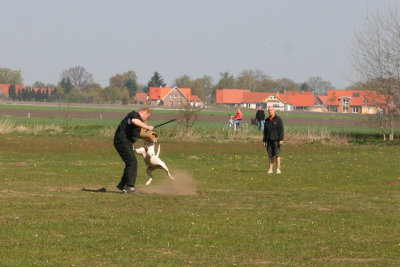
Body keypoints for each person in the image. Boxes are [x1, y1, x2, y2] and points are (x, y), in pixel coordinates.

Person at [114, 107, 154, 194]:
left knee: (130, 162)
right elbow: (134, 121)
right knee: (132, 162)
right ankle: (129, 187)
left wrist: (149, 134)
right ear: (145, 114)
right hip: (121, 142)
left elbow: (135, 132)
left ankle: (122, 185)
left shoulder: (135, 119)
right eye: (147, 117)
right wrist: (147, 126)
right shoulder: (134, 115)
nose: (146, 119)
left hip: (124, 142)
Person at [263, 106, 284, 174]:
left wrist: (281, 139)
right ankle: (270, 169)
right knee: (270, 155)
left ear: (274, 110)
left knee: (277, 155)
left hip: (276, 140)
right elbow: (265, 132)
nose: (270, 111)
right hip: (269, 140)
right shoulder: (266, 120)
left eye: (271, 110)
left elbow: (281, 130)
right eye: (269, 110)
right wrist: (264, 140)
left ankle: (278, 169)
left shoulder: (278, 119)